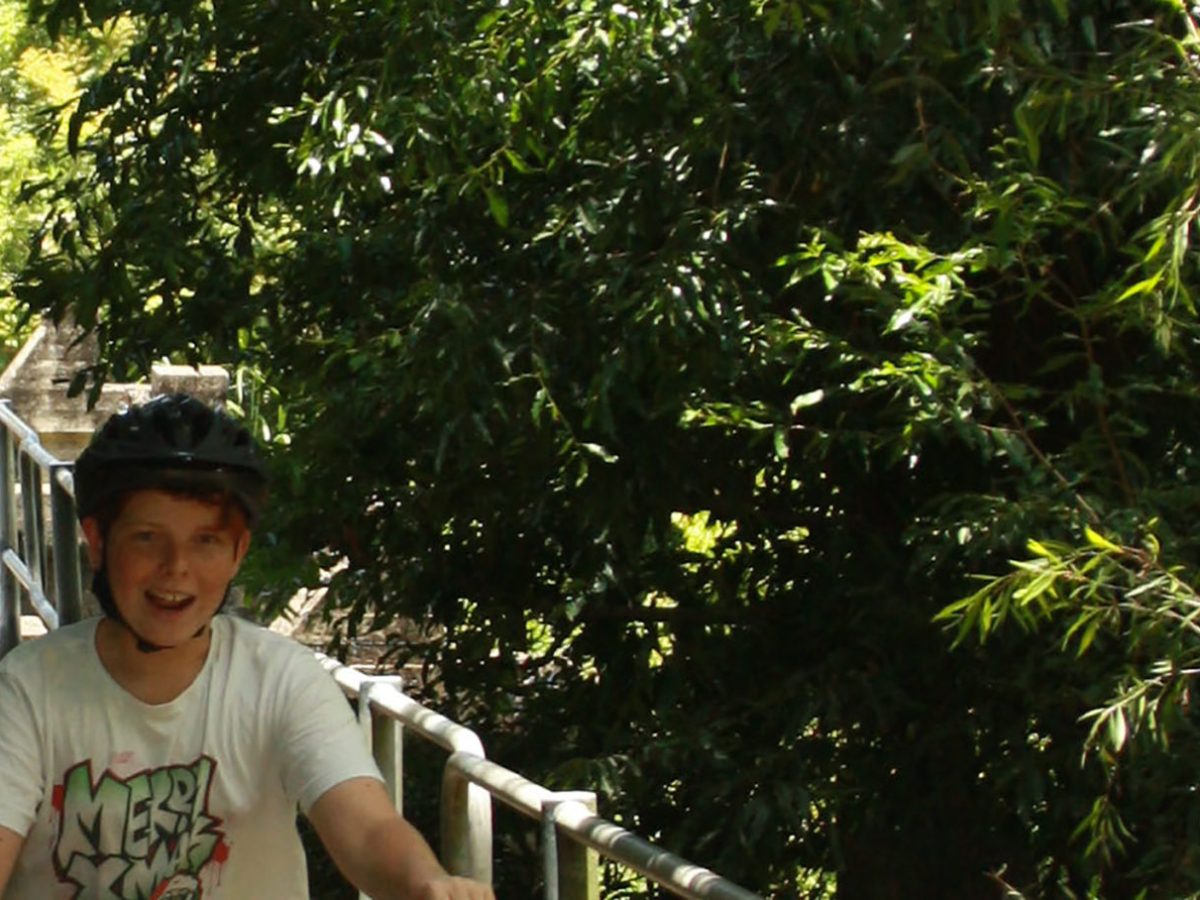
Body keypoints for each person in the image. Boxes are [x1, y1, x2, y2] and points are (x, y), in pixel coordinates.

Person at [0, 393, 494, 899]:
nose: (177, 567)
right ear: (98, 542)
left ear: (239, 553)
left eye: (206, 541)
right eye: (148, 538)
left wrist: (427, 884)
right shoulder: (29, 687)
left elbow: (365, 826)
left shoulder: (281, 679)